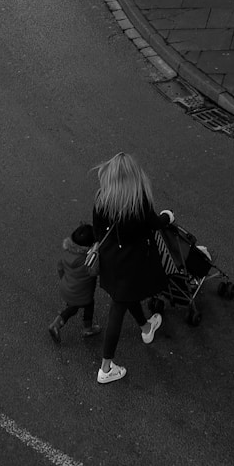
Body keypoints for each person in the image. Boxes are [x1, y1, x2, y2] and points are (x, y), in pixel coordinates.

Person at [91, 153, 173, 385]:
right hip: (132, 264)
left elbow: (98, 231)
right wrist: (167, 217)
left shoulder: (101, 199)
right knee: (118, 308)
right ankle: (106, 367)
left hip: (111, 261)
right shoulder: (139, 202)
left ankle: (146, 327)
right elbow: (156, 224)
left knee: (124, 297)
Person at [48, 223, 101, 344]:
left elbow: (60, 267)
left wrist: (64, 280)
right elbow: (94, 272)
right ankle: (87, 328)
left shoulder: (67, 252)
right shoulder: (86, 260)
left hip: (66, 287)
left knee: (72, 307)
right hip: (81, 293)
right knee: (88, 305)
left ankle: (57, 323)